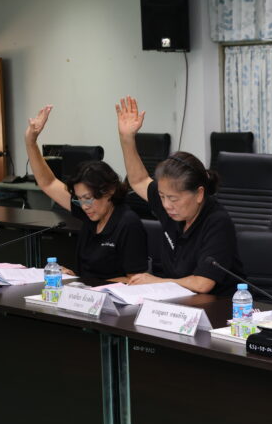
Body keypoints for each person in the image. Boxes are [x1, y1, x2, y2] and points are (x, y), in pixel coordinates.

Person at [116, 96, 241, 295]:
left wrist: (156, 282)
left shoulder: (217, 222)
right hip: (177, 302)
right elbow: (138, 180)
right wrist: (127, 139)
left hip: (218, 306)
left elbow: (202, 284)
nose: (166, 205)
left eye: (173, 199)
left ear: (199, 194)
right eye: (162, 196)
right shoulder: (170, 206)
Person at [24, 105, 147, 281]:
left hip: (112, 296)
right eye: (79, 199)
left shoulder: (127, 224)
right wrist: (30, 141)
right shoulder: (89, 212)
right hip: (85, 292)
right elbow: (48, 183)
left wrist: (85, 282)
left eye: (88, 198)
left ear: (109, 191)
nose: (84, 206)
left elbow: (136, 282)